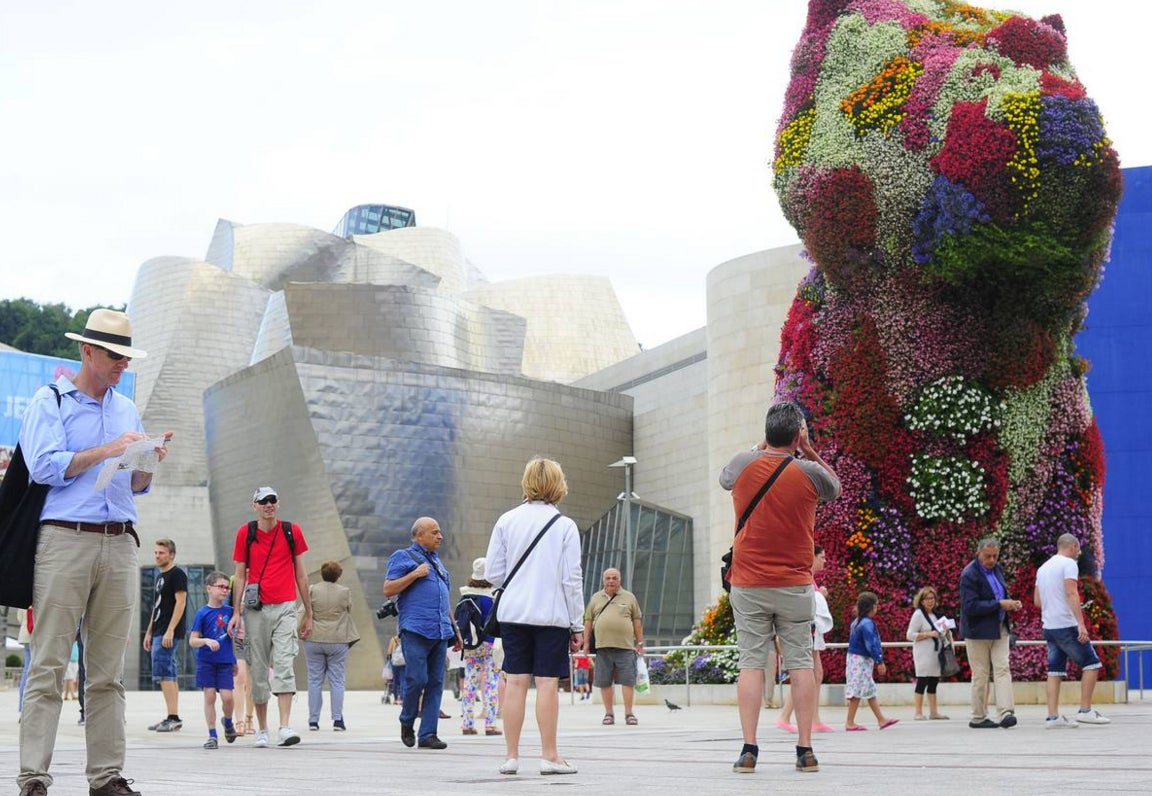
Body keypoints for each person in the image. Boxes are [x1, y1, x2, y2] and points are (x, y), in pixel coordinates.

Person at [17, 307, 171, 796]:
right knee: (48, 663)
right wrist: (107, 450)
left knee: (108, 671)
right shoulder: (51, 400)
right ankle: (34, 777)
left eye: (126, 356)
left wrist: (147, 460)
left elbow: (136, 484)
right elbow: (42, 467)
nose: (121, 364)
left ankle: (106, 776)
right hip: (65, 537)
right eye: (113, 355)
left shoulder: (125, 409)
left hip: (120, 539)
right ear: (86, 350)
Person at [720, 401, 839, 774]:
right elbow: (834, 487)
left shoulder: (743, 464)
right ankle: (805, 750)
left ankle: (749, 749)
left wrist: (762, 446)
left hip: (748, 582)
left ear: (768, 431)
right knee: (801, 662)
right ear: (797, 434)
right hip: (794, 585)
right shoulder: (808, 473)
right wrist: (808, 449)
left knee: (752, 664)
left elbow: (725, 478)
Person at [484, 457, 584, 776]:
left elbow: (493, 573)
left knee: (515, 682)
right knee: (547, 684)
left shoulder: (507, 520)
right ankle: (549, 756)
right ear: (558, 484)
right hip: (551, 616)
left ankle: (511, 756)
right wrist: (577, 623)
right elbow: (572, 579)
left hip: (513, 613)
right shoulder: (564, 526)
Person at [227, 486, 314, 749]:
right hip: (256, 610)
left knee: (285, 663)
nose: (268, 505)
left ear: (278, 503)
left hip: (286, 606)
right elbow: (240, 574)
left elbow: (301, 573)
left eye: (272, 500)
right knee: (258, 667)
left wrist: (308, 612)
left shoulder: (291, 531)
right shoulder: (246, 533)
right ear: (255, 505)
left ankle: (285, 727)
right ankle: (262, 729)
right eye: (263, 501)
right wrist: (236, 611)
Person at [383, 516, 463, 751]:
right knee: (417, 679)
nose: (440, 536)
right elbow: (388, 588)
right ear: (419, 535)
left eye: (440, 532)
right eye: (434, 532)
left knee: (436, 683)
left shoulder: (438, 563)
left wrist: (455, 631)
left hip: (440, 631)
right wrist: (414, 575)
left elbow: (443, 599)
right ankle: (407, 721)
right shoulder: (403, 557)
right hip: (415, 628)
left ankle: (428, 733)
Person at [1033, 533, 1111, 728]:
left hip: (1049, 625)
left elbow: (1037, 601)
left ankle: (1053, 717)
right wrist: (1081, 623)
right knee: (1092, 664)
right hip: (1066, 625)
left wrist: (1056, 606)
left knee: (1055, 670)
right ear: (1073, 546)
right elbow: (1071, 592)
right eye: (1078, 549)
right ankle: (1085, 711)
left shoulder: (1043, 568)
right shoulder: (1069, 564)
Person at [959, 537, 1023, 729]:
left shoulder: (998, 569)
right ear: (978, 553)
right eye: (987, 556)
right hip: (977, 631)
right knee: (980, 674)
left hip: (999, 627)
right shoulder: (969, 574)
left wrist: (1010, 603)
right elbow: (970, 606)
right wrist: (999, 604)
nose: (991, 560)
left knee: (1003, 669)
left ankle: (1006, 712)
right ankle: (978, 716)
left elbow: (999, 595)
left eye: (995, 556)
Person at [776, 546, 834, 733]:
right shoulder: (804, 578)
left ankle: (814, 718)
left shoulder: (810, 580)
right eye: (822, 557)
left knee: (816, 673)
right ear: (813, 558)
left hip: (812, 631)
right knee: (807, 673)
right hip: (806, 631)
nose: (824, 561)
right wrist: (820, 596)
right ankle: (786, 715)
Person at [583, 567, 644, 726]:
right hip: (602, 647)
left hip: (625, 647)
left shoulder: (629, 597)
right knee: (604, 682)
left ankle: (629, 714)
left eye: (614, 578)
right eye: (608, 578)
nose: (611, 581)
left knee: (628, 681)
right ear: (603, 580)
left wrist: (640, 642)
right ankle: (608, 714)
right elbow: (588, 621)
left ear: (620, 580)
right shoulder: (596, 598)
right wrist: (586, 643)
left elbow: (637, 621)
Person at [306, 559, 361, 732]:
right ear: (338, 575)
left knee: (315, 680)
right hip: (337, 639)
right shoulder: (344, 591)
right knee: (337, 681)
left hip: (314, 638)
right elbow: (349, 609)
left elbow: (305, 609)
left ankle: (313, 721)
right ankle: (337, 720)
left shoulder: (313, 589)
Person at [188, 571, 238, 749]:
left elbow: (238, 634)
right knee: (209, 696)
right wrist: (206, 641)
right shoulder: (202, 613)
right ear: (209, 588)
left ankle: (229, 721)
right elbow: (192, 640)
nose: (225, 590)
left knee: (228, 697)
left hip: (225, 661)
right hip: (206, 661)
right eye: (221, 587)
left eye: (227, 587)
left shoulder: (232, 612)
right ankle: (212, 734)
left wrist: (234, 661)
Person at [143, 538, 188, 732]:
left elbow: (181, 602)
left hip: (168, 631)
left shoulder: (177, 574)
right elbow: (156, 606)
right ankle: (172, 716)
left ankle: (173, 717)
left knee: (163, 673)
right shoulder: (160, 576)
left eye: (161, 553)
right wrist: (149, 632)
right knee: (169, 672)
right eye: (156, 552)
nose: (157, 556)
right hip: (159, 630)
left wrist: (170, 630)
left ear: (171, 554)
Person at [844, 591, 899, 731]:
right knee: (856, 690)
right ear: (872, 607)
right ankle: (849, 722)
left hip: (854, 659)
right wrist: (879, 660)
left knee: (869, 690)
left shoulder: (856, 622)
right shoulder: (867, 624)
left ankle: (881, 719)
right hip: (861, 661)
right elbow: (871, 644)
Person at [459, 557, 501, 736]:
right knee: (491, 682)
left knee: (470, 682)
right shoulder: (490, 597)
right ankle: (490, 724)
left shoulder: (465, 595)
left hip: (470, 645)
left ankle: (467, 724)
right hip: (489, 643)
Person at [906, 586, 950, 721]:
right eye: (927, 599)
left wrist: (946, 631)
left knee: (933, 682)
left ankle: (933, 712)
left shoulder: (937, 615)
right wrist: (928, 634)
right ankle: (918, 712)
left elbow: (942, 635)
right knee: (922, 681)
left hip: (936, 654)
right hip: (923, 654)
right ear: (921, 601)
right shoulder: (918, 614)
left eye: (932, 598)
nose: (930, 601)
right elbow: (910, 635)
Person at [226, 574, 254, 735]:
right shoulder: (234, 580)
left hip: (255, 638)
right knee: (239, 678)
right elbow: (228, 605)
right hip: (237, 637)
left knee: (252, 681)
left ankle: (250, 718)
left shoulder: (261, 578)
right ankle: (239, 721)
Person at [386, 634, 406, 705]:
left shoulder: (393, 639)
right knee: (403, 680)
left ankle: (396, 698)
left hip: (395, 663)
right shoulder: (406, 639)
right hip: (404, 662)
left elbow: (389, 652)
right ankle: (402, 698)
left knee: (395, 680)